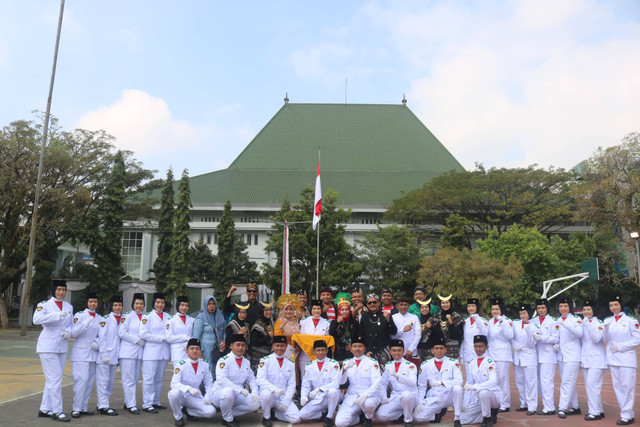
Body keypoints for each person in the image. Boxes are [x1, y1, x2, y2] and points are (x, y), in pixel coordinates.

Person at [34, 279, 73, 422]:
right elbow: (36, 320)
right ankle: (57, 411)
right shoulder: (44, 305)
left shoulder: (69, 306)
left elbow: (70, 323)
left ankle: (45, 408)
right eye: (59, 289)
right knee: (55, 379)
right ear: (53, 290)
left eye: (63, 289)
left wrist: (68, 332)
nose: (61, 292)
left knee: (52, 379)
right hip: (48, 345)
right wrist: (56, 315)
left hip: (62, 345)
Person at [604, 294, 640, 425]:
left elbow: (637, 339)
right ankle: (626, 413)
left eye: (616, 305)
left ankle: (627, 415)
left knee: (627, 387)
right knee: (617, 387)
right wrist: (606, 328)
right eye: (611, 305)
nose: (613, 307)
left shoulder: (631, 321)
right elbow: (605, 339)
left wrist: (620, 347)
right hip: (613, 358)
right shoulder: (608, 321)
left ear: (621, 305)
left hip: (626, 358)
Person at [210, 334, 261, 427]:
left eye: (243, 345)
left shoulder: (246, 362)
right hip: (220, 393)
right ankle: (227, 419)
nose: (240, 348)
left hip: (237, 395)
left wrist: (255, 391)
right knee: (228, 391)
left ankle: (229, 413)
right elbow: (221, 380)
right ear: (231, 346)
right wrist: (240, 389)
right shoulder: (223, 360)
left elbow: (252, 379)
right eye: (238, 345)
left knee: (256, 403)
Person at [414, 335, 463, 426]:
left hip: (449, 395)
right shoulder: (425, 365)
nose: (439, 351)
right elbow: (422, 386)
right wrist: (420, 401)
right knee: (418, 418)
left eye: (441, 348)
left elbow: (459, 381)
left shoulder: (453, 362)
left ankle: (457, 418)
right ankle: (438, 412)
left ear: (445, 350)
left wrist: (442, 383)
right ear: (432, 351)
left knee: (458, 388)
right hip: (435, 396)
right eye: (436, 348)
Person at [168, 338, 216, 426]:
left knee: (211, 412)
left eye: (197, 349)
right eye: (192, 348)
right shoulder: (181, 365)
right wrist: (188, 389)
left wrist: (208, 395)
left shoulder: (205, 364)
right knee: (173, 393)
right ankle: (178, 417)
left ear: (200, 351)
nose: (195, 351)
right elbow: (174, 383)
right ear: (187, 351)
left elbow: (208, 383)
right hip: (181, 394)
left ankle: (188, 411)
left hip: (195, 396)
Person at [335, 336, 382, 427]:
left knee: (368, 404)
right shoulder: (347, 362)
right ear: (351, 348)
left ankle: (368, 418)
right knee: (340, 423)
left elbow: (377, 383)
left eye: (360, 346)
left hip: (369, 395)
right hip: (352, 396)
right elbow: (340, 382)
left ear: (364, 349)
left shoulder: (372, 362)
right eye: (355, 346)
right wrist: (344, 369)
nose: (357, 349)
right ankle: (358, 417)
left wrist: (365, 395)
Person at [256, 335, 301, 426]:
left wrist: (285, 402)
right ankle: (267, 416)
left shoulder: (290, 363)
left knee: (296, 419)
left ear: (286, 347)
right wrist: (274, 389)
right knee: (266, 394)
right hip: (269, 396)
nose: (279, 348)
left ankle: (275, 414)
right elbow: (260, 380)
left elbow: (291, 385)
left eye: (282, 345)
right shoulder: (265, 360)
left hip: (282, 397)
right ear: (273, 346)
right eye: (277, 345)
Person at [69, 291, 100, 419]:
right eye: (91, 301)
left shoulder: (100, 318)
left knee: (89, 381)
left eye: (95, 302)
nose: (93, 304)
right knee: (80, 380)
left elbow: (101, 335)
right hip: (80, 353)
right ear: (87, 303)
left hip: (93, 354)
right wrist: (85, 323)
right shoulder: (80, 315)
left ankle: (84, 407)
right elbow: (73, 333)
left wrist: (97, 342)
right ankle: (76, 408)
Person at [376, 339, 419, 427]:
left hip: (410, 396)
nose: (397, 353)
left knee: (406, 395)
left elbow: (413, 382)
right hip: (396, 396)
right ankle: (403, 414)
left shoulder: (410, 365)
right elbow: (383, 383)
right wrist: (384, 396)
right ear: (390, 352)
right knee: (380, 415)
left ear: (403, 351)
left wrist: (398, 376)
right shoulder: (388, 365)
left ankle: (408, 420)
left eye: (399, 350)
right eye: (394, 350)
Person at [460, 335, 500, 427]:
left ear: (486, 347)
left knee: (483, 392)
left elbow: (492, 382)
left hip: (492, 396)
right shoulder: (472, 363)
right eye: (476, 346)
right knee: (461, 419)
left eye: (480, 346)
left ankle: (487, 418)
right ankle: (486, 414)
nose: (478, 349)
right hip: (477, 398)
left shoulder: (490, 362)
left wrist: (475, 387)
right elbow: (469, 383)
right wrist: (465, 402)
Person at [299, 340, 342, 427]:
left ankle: (329, 417)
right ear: (314, 351)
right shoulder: (309, 366)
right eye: (318, 350)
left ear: (327, 351)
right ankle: (323, 414)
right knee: (302, 415)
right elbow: (305, 384)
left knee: (332, 391)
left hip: (331, 396)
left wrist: (319, 389)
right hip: (317, 398)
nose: (321, 352)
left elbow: (335, 383)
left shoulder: (333, 364)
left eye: (323, 350)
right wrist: (303, 396)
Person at [140, 292, 171, 413]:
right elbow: (143, 334)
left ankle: (155, 401)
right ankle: (147, 404)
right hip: (151, 353)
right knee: (149, 379)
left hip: (163, 353)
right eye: (158, 302)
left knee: (158, 379)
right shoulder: (147, 316)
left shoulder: (168, 316)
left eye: (162, 302)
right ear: (154, 303)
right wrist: (160, 338)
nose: (160, 304)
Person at [118, 292, 145, 415]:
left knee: (134, 379)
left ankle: (128, 401)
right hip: (128, 352)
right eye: (137, 303)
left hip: (139, 353)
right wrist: (136, 340)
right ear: (133, 304)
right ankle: (131, 404)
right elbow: (121, 332)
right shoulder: (127, 316)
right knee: (128, 379)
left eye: (141, 304)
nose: (139, 306)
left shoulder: (145, 317)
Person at [95, 295, 123, 416]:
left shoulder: (123, 319)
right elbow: (101, 338)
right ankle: (103, 406)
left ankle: (102, 403)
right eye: (115, 305)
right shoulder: (105, 319)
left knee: (110, 382)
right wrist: (104, 354)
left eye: (120, 305)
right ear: (112, 306)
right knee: (103, 381)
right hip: (105, 356)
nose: (118, 307)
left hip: (115, 356)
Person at [556, 296, 583, 418]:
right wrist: (555, 344)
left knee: (566, 382)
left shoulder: (576, 319)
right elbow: (558, 336)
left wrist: (566, 324)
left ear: (570, 307)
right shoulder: (557, 320)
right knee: (568, 382)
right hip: (561, 356)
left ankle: (562, 408)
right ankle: (575, 406)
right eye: (561, 306)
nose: (563, 308)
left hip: (573, 355)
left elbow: (579, 333)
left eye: (565, 306)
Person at [580, 298, 607, 421]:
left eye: (588, 309)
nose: (586, 311)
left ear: (593, 310)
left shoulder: (599, 323)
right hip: (586, 360)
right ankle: (598, 409)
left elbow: (596, 339)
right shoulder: (583, 323)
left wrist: (587, 324)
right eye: (584, 309)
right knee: (589, 386)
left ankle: (594, 412)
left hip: (597, 360)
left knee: (593, 386)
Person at [486, 297, 514, 412]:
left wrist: (502, 322)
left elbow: (509, 336)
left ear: (501, 309)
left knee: (503, 379)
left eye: (497, 309)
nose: (494, 311)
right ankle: (496, 401)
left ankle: (505, 403)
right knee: (493, 379)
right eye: (493, 309)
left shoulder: (507, 321)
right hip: (492, 353)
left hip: (503, 354)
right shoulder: (490, 321)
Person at [532, 297, 559, 416]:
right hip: (535, 355)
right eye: (538, 308)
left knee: (546, 381)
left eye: (543, 307)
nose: (541, 310)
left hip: (548, 355)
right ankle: (546, 404)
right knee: (538, 382)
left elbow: (556, 338)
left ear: (547, 308)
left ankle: (550, 407)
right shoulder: (533, 321)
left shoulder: (553, 321)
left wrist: (542, 338)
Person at [511, 303, 537, 415]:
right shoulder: (516, 323)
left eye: (524, 313)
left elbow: (532, 343)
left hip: (529, 355)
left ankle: (532, 406)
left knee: (530, 382)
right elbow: (510, 336)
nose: (522, 315)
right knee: (520, 381)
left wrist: (528, 331)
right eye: (521, 313)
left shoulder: (534, 325)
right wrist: (514, 344)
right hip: (518, 355)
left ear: (529, 314)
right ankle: (524, 403)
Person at [358, 293, 397, 367]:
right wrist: (365, 351)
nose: (372, 304)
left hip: (383, 351)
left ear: (379, 303)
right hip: (369, 352)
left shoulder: (385, 315)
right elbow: (361, 336)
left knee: (384, 375)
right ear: (367, 305)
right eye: (370, 303)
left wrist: (389, 320)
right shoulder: (364, 318)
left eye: (374, 302)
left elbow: (394, 332)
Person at [193, 296, 227, 380]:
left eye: (213, 304)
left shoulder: (219, 317)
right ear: (205, 305)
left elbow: (224, 332)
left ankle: (215, 391)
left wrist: (224, 341)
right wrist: (198, 351)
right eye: (209, 304)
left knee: (218, 371)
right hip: (205, 350)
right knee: (208, 371)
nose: (211, 306)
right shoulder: (201, 317)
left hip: (218, 349)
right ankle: (205, 392)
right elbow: (196, 337)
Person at [298, 299, 331, 377]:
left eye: (318, 308)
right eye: (314, 308)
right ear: (311, 309)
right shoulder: (303, 321)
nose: (316, 311)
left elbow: (327, 339)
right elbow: (299, 338)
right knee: (305, 377)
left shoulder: (327, 323)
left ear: (321, 310)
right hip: (305, 354)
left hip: (320, 355)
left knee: (319, 377)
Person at [425, 294, 463, 358]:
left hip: (452, 349)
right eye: (443, 303)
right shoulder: (436, 316)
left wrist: (451, 323)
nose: (445, 305)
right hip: (439, 349)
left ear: (451, 303)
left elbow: (458, 336)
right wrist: (429, 325)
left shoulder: (457, 317)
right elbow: (433, 332)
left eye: (447, 302)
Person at [391, 296, 420, 365]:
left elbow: (418, 335)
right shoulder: (393, 318)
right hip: (397, 352)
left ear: (409, 306)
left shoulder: (414, 317)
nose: (403, 307)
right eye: (401, 305)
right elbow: (392, 336)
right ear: (397, 306)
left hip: (412, 352)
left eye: (405, 305)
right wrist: (402, 330)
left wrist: (411, 349)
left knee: (412, 372)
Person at [329, 293, 358, 362]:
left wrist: (353, 344)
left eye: (346, 309)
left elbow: (357, 335)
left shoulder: (353, 321)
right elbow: (331, 334)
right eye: (342, 310)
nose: (344, 312)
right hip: (337, 352)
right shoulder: (334, 322)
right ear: (339, 311)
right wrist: (337, 322)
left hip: (351, 352)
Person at [167, 296, 195, 368]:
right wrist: (184, 337)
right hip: (177, 352)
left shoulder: (192, 320)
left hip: (190, 351)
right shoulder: (171, 320)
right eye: (182, 305)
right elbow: (169, 338)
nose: (184, 307)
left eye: (186, 305)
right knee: (178, 375)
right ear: (177, 306)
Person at [460, 298, 489, 367]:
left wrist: (477, 320)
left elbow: (486, 333)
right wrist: (461, 355)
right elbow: (464, 339)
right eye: (469, 306)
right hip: (467, 355)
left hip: (479, 354)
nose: (471, 308)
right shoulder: (465, 322)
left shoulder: (483, 321)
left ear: (477, 307)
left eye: (473, 306)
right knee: (468, 377)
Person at [250, 302, 275, 372]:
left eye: (270, 310)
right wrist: (268, 336)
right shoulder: (257, 325)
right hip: (258, 358)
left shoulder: (270, 322)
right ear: (261, 311)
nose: (269, 312)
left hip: (269, 355)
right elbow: (255, 342)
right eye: (266, 310)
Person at [274, 293, 301, 358]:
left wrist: (298, 346)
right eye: (286, 309)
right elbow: (277, 337)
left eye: (290, 309)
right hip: (284, 351)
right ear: (283, 310)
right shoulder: (280, 321)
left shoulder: (296, 322)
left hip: (296, 352)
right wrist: (281, 327)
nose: (288, 311)